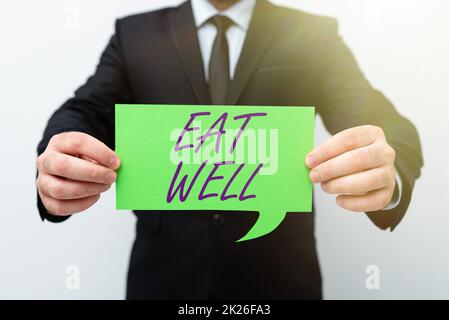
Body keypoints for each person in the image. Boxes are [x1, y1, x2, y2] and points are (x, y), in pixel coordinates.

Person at [36, 0, 423, 299]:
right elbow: (84, 111)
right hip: (164, 281)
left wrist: (388, 170)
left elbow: (386, 125)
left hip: (279, 281)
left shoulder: (311, 35)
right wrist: (59, 156)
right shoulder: (134, 34)